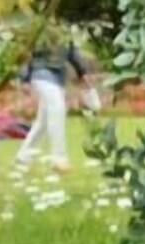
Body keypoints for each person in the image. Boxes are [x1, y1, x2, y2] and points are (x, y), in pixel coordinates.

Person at [17, 34, 94, 172]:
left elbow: (71, 51)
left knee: (43, 121)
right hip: (41, 72)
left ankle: (24, 155)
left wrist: (83, 73)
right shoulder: (37, 25)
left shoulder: (62, 29)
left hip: (58, 76)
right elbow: (25, 52)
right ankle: (59, 159)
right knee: (58, 109)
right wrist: (24, 78)